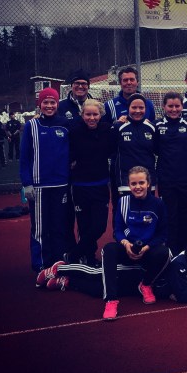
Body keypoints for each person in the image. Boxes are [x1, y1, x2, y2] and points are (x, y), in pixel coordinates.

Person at [101, 166, 170, 320]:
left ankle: (146, 284)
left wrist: (147, 247)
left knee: (165, 253)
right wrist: (126, 244)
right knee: (108, 249)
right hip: (128, 249)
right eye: (133, 184)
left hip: (147, 251)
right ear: (129, 185)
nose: (138, 187)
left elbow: (163, 234)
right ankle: (111, 300)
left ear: (148, 183)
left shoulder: (158, 204)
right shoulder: (122, 202)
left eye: (141, 183)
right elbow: (118, 230)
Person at [20, 88, 70, 275]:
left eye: (53, 102)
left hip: (61, 185)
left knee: (59, 226)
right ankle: (40, 263)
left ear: (57, 104)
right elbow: (24, 157)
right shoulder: (31, 126)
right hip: (39, 186)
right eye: (45, 102)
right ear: (39, 104)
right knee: (40, 228)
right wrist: (27, 183)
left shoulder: (65, 125)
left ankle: (58, 262)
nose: (49, 106)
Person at [67, 99, 113, 266]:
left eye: (95, 114)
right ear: (82, 115)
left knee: (99, 226)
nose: (91, 118)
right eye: (88, 114)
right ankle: (89, 258)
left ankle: (73, 254)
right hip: (80, 186)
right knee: (84, 226)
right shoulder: (74, 131)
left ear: (101, 115)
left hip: (100, 185)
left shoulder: (107, 129)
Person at [154, 92, 187, 255]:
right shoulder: (157, 125)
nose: (174, 109)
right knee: (169, 215)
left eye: (177, 106)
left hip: (186, 178)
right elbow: (154, 148)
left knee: (184, 214)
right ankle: (170, 251)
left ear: (182, 106)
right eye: (170, 106)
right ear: (164, 107)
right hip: (166, 179)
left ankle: (184, 251)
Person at [112, 93, 157, 204]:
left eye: (141, 108)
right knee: (126, 211)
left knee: (148, 211)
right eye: (134, 107)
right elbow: (111, 150)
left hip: (147, 180)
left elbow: (157, 150)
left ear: (146, 109)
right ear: (128, 108)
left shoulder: (151, 127)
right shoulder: (118, 127)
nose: (137, 111)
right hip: (125, 180)